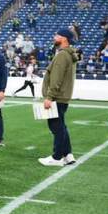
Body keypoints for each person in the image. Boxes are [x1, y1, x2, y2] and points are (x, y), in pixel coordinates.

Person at [38, 29, 78, 167]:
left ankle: (56, 157)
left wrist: (49, 96)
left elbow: (56, 78)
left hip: (57, 97)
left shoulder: (62, 55)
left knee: (56, 126)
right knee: (61, 125)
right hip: (63, 96)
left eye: (57, 35)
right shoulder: (68, 54)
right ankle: (68, 154)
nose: (54, 37)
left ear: (64, 39)